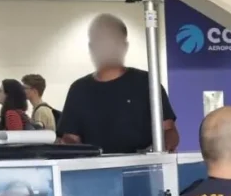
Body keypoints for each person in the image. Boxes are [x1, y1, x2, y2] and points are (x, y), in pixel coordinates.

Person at [58, 13, 179, 153]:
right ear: (91, 48)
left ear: (124, 46)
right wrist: (65, 145)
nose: (106, 48)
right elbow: (71, 137)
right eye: (100, 42)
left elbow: (169, 130)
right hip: (94, 171)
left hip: (143, 169)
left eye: (111, 41)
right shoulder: (78, 90)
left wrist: (162, 147)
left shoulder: (146, 83)